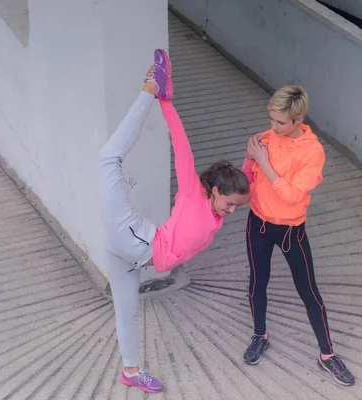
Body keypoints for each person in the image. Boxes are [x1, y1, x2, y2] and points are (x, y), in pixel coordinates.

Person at [97, 49, 251, 393]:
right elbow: (182, 146)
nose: (230, 212)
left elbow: (243, 184)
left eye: (235, 208)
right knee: (107, 158)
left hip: (127, 254)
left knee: (127, 310)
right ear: (213, 190)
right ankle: (152, 88)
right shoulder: (193, 194)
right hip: (134, 237)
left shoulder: (216, 211)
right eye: (228, 204)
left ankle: (131, 372)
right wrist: (165, 101)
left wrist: (252, 160)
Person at [241, 85, 355, 386]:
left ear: (299, 118)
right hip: (259, 225)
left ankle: (327, 355)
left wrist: (263, 161)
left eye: (280, 122)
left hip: (292, 230)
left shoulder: (312, 152)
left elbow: (292, 196)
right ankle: (260, 335)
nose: (273, 128)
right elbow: (249, 179)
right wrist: (250, 162)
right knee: (257, 284)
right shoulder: (265, 139)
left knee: (309, 291)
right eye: (271, 120)